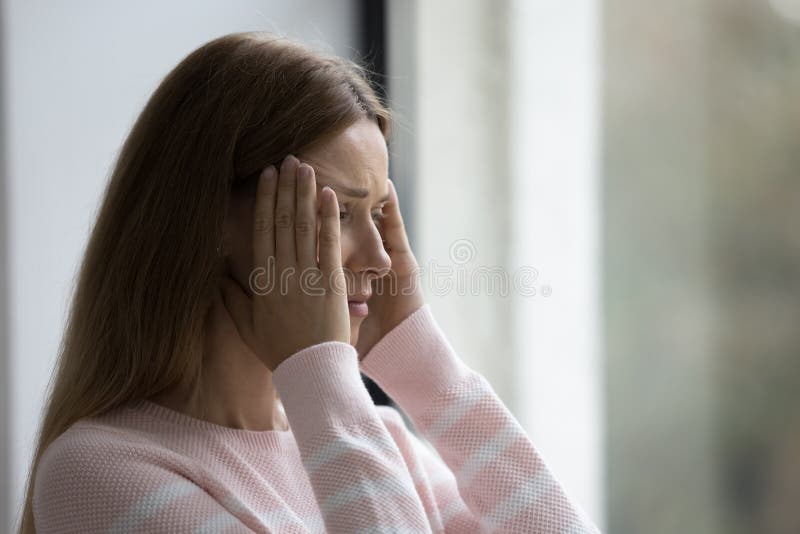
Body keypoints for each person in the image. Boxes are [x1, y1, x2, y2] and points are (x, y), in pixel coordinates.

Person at [19, 32, 601, 533]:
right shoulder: (99, 474)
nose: (379, 258)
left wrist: (425, 366)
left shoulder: (373, 440)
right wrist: (322, 373)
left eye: (378, 214)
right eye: (338, 214)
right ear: (211, 219)